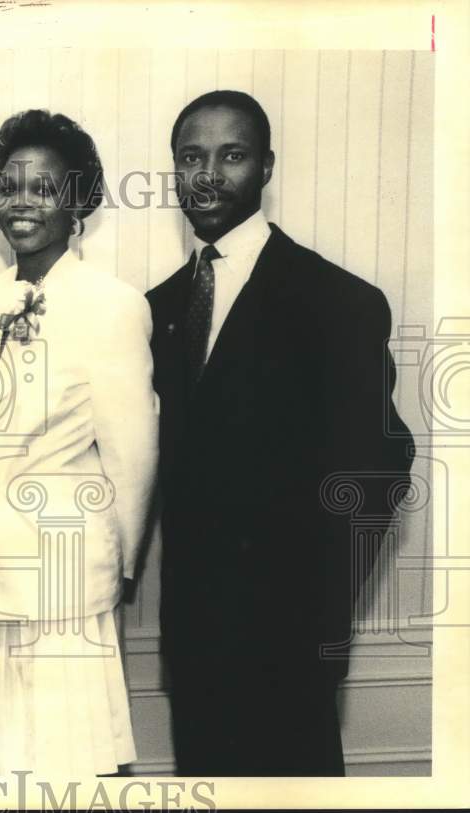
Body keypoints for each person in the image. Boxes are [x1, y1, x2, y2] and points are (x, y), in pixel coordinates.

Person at [147, 90, 414, 776]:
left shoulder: (337, 301)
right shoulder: (159, 309)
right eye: (190, 157)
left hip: (291, 648)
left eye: (230, 155)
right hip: (194, 645)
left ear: (266, 166)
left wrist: (318, 613)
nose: (207, 174)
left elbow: (379, 468)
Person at [0, 109, 159, 776]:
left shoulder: (112, 304)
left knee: (64, 764)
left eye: (42, 188)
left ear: (78, 203)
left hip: (63, 578)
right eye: (9, 186)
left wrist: (115, 571)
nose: (20, 202)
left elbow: (132, 452)